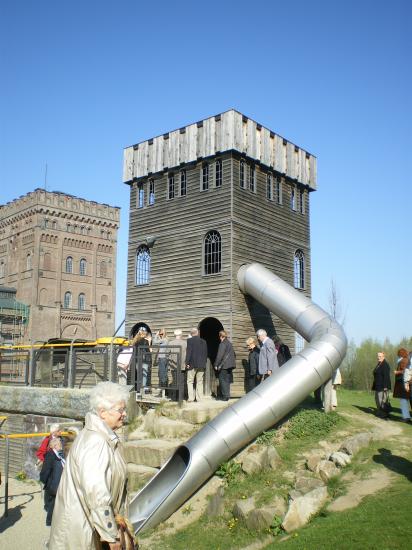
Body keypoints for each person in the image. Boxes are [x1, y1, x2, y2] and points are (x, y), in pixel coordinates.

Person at [49, 381, 133, 550]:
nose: (124, 414)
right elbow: (97, 492)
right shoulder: (96, 441)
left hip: (87, 528)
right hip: (82, 534)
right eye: (120, 410)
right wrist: (111, 536)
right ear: (102, 413)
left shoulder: (100, 436)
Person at [40, 437, 66, 528]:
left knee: (56, 504)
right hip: (54, 486)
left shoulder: (60, 454)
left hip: (59, 484)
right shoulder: (50, 455)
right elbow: (45, 472)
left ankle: (56, 520)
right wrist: (48, 484)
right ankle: (49, 523)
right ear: (55, 446)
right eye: (60, 445)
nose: (61, 446)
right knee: (53, 504)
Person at [185, 327, 208, 402]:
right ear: (197, 333)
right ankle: (199, 398)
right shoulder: (204, 341)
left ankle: (191, 398)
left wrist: (187, 363)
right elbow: (205, 353)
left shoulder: (189, 340)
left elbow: (189, 352)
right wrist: (204, 363)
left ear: (191, 334)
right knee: (200, 381)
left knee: (190, 381)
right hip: (202, 364)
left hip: (192, 364)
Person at [214, 330, 236, 401]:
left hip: (224, 366)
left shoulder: (222, 344)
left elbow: (219, 355)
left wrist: (216, 364)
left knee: (222, 380)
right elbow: (234, 354)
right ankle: (227, 395)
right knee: (227, 380)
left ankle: (225, 396)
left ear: (221, 336)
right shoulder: (229, 343)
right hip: (230, 365)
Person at [168, 329, 187, 401]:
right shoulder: (185, 343)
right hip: (182, 365)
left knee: (174, 381)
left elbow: (168, 354)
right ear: (181, 335)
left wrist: (169, 364)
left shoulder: (170, 343)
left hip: (173, 365)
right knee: (181, 382)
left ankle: (173, 398)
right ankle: (180, 398)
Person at [131, 327, 152, 392]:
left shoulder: (135, 341)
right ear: (143, 334)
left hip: (137, 361)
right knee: (144, 376)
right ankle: (143, 389)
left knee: (138, 375)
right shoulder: (145, 341)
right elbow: (148, 351)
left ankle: (138, 389)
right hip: (144, 360)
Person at [393, 348, 411, 423]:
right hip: (404, 382)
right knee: (405, 400)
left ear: (401, 354)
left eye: (399, 353)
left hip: (403, 382)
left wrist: (397, 372)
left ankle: (406, 417)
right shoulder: (406, 359)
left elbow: (405, 371)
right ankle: (406, 416)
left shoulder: (403, 360)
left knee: (403, 400)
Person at [372, 351, 391, 418]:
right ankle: (380, 412)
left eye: (380, 356)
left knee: (382, 400)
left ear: (383, 357)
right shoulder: (379, 364)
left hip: (383, 386)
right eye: (378, 356)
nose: (378, 357)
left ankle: (384, 413)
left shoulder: (385, 365)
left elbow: (386, 376)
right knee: (377, 399)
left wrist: (385, 386)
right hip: (378, 385)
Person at [152, 329, 169, 394]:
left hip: (162, 358)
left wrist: (156, 335)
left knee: (162, 374)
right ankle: (164, 390)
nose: (160, 335)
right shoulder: (166, 339)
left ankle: (163, 390)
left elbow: (155, 342)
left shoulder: (164, 340)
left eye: (161, 334)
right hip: (164, 358)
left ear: (164, 334)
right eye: (160, 334)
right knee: (163, 374)